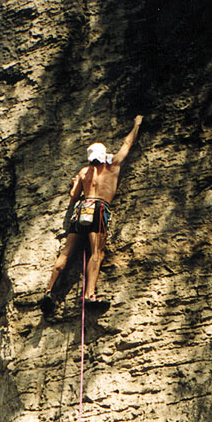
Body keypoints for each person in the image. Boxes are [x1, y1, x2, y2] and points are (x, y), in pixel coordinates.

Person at [39, 116, 143, 317]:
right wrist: (136, 124)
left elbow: (73, 198)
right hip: (99, 209)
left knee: (67, 253)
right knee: (97, 253)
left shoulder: (84, 172)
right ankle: (89, 295)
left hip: (82, 209)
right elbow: (127, 144)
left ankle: (49, 291)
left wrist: (73, 184)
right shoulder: (113, 166)